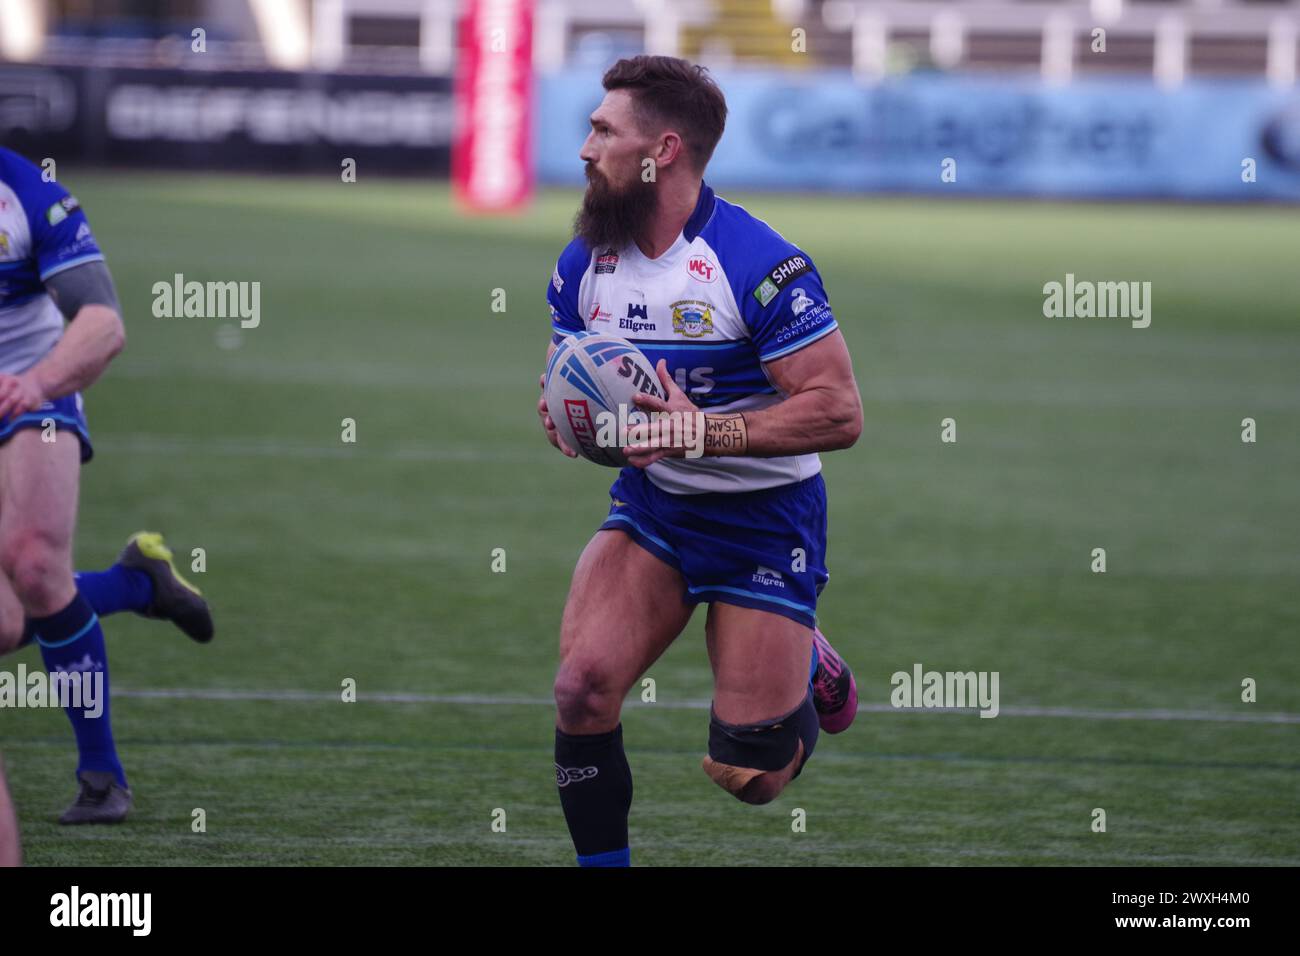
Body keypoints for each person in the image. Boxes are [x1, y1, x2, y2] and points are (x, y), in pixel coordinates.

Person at [538, 56, 862, 867]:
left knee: (749, 777)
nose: (585, 149)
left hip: (764, 520)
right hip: (656, 508)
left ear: (663, 152)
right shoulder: (586, 262)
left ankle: (808, 650)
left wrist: (706, 433)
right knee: (582, 689)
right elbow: (577, 374)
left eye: (604, 131)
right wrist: (568, 415)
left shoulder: (759, 264)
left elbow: (839, 411)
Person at [0, 147, 213, 824]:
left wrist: (35, 385)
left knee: (35, 563)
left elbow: (103, 323)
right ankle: (135, 584)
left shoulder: (28, 195)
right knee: (5, 625)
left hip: (32, 387)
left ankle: (103, 779)